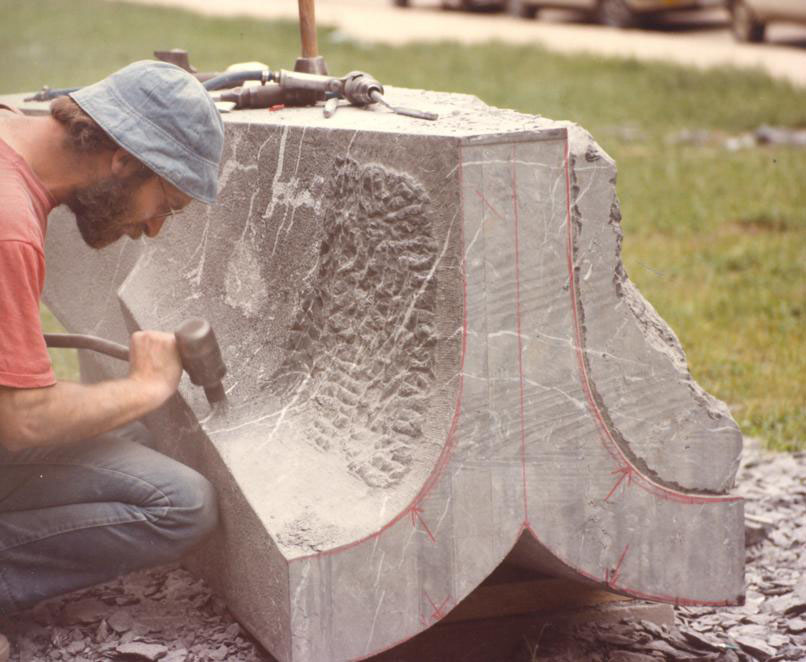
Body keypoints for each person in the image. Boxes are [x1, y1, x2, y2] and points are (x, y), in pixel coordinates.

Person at [0, 61, 225, 652]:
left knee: (135, 448)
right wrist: (146, 386)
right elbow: (22, 420)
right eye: (166, 204)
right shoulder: (8, 224)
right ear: (123, 158)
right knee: (181, 502)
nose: (152, 228)